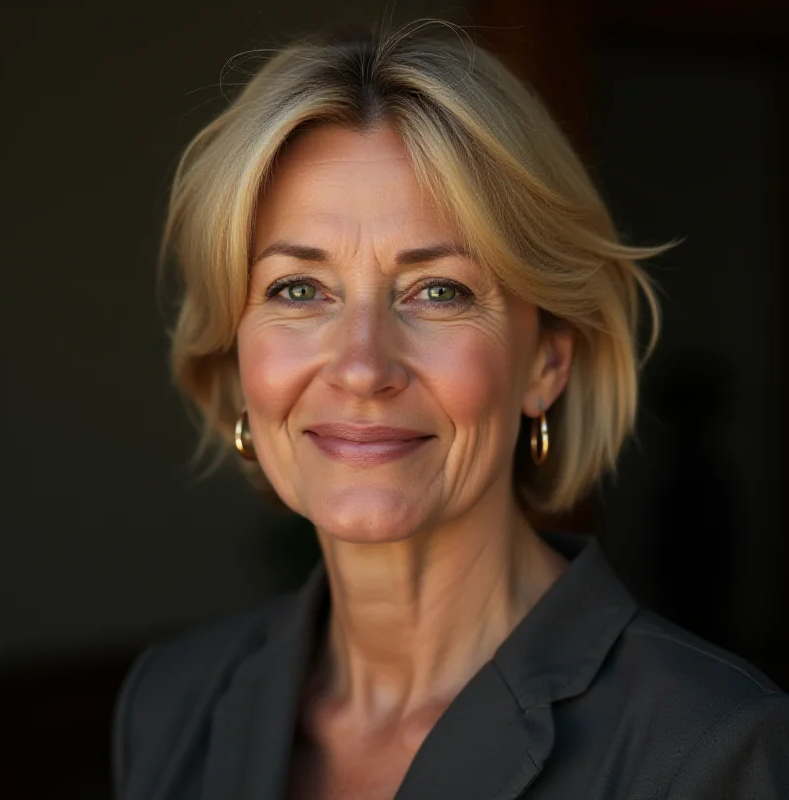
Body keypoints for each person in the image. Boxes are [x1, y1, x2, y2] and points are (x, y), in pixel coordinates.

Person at [112, 22, 788, 800]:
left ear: (546, 362)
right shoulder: (167, 703)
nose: (364, 367)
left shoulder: (711, 751)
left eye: (440, 292)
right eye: (299, 290)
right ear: (235, 358)